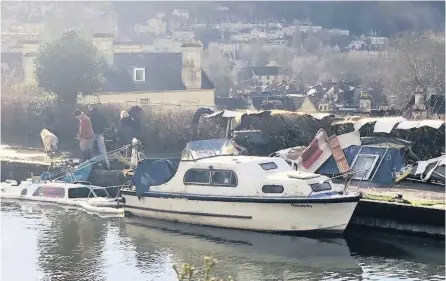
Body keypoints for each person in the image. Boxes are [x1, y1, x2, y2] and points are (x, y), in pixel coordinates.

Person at [88, 104, 110, 169]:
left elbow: (89, 124)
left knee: (92, 148)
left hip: (93, 133)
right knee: (102, 149)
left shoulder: (91, 115)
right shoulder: (100, 114)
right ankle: (107, 164)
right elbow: (105, 121)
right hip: (100, 133)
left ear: (90, 108)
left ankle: (93, 164)